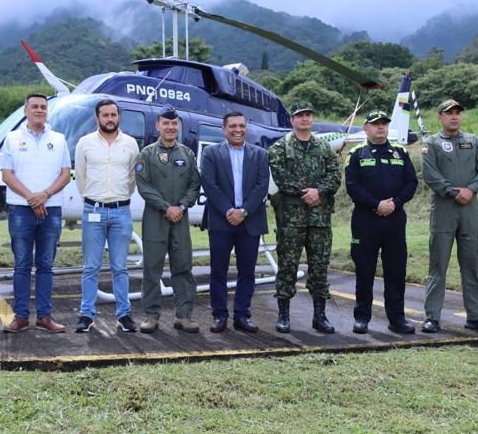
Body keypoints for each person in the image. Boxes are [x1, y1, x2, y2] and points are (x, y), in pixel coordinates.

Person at [420, 99, 478, 334]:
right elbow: (430, 174)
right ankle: (432, 317)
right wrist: (451, 191)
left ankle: (476, 315)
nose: (454, 117)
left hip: (469, 209)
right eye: (449, 113)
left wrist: (471, 189)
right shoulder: (431, 143)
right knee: (438, 264)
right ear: (440, 117)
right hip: (444, 208)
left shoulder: (472, 141)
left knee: (472, 263)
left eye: (457, 113)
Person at [0, 93, 72, 333]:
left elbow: (65, 174)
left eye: (43, 107)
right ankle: (20, 316)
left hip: (51, 210)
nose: (39, 110)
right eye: (35, 107)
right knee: (21, 264)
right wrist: (32, 197)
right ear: (25, 110)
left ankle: (44, 316)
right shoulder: (11, 138)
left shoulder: (59, 139)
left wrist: (45, 195)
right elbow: (7, 175)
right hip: (21, 209)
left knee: (45, 265)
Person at [267, 102, 341, 334]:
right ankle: (283, 315)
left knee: (319, 267)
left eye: (308, 115)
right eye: (300, 116)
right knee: (288, 266)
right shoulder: (280, 148)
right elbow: (281, 177)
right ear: (292, 120)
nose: (305, 119)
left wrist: (318, 192)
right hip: (291, 219)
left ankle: (320, 316)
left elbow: (335, 175)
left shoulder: (325, 147)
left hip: (319, 219)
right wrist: (308, 192)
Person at [344, 109, 418, 334]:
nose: (380, 127)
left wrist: (395, 202)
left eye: (384, 124)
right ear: (366, 128)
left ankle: (397, 319)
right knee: (365, 270)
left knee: (395, 271)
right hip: (366, 220)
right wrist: (376, 204)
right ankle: (362, 318)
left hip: (395, 220)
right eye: (375, 124)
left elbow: (411, 182)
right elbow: (352, 186)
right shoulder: (356, 153)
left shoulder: (400, 152)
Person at [73, 99, 141, 334]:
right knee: (90, 267)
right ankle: (86, 315)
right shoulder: (85, 143)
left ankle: (124, 315)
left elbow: (132, 178)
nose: (110, 119)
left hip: (121, 211)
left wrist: (120, 198)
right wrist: (93, 200)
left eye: (113, 115)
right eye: (105, 115)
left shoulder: (131, 144)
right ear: (97, 118)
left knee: (120, 267)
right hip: (93, 210)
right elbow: (80, 177)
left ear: (119, 117)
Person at [200, 112, 271, 333]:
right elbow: (210, 185)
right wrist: (230, 211)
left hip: (250, 221)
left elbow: (262, 186)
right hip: (222, 221)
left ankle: (242, 315)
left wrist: (245, 211)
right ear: (224, 129)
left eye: (241, 125)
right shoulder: (211, 153)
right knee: (218, 271)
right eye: (232, 126)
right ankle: (219, 315)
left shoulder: (260, 154)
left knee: (247, 271)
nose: (238, 129)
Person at [134, 108, 202, 333]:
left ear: (178, 126)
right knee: (152, 268)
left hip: (180, 218)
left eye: (174, 124)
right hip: (155, 217)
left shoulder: (187, 154)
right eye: (166, 123)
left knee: (183, 267)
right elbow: (144, 186)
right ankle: (151, 315)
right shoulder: (146, 154)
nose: (171, 127)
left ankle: (183, 316)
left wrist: (181, 206)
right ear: (158, 126)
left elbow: (195, 184)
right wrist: (166, 207)